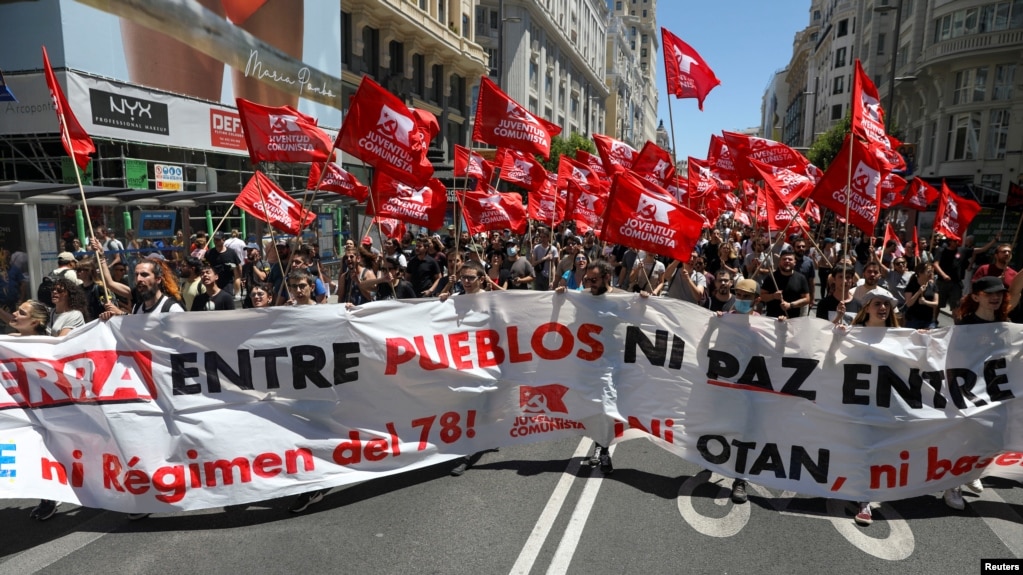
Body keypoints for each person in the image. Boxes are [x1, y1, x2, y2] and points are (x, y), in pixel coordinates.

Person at [554, 260, 649, 474]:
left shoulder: (621, 298)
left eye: (594, 280)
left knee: (606, 406)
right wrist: (561, 295)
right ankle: (599, 444)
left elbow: (642, 317)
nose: (590, 283)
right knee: (590, 407)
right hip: (585, 364)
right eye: (587, 279)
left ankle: (602, 448)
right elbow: (566, 312)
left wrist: (643, 301)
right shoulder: (583, 297)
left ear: (608, 278)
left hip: (610, 364)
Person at [848, 287, 900, 526]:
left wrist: (923, 342)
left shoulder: (900, 336)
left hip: (884, 404)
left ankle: (865, 495)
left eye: (886, 304)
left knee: (875, 449)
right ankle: (858, 494)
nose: (882, 308)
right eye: (878, 303)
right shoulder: (852, 333)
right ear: (866, 307)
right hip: (854, 402)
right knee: (858, 447)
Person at [761, 250, 811, 319]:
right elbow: (762, 296)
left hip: (793, 320)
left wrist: (790, 305)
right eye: (784, 259)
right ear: (779, 262)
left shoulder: (801, 278)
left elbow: (806, 299)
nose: (787, 261)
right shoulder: (771, 277)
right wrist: (773, 296)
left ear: (794, 262)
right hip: (772, 320)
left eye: (790, 259)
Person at [204, 232, 242, 297]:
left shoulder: (231, 253)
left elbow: (238, 266)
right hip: (214, 282)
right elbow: (204, 266)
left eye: (218, 240)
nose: (216, 241)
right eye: (215, 239)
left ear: (223, 240)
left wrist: (240, 279)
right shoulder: (209, 253)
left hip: (227, 283)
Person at [902, 262, 939, 329]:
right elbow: (908, 304)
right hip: (913, 319)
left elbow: (936, 303)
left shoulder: (933, 286)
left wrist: (925, 302)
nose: (931, 273)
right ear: (920, 273)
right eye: (928, 271)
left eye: (931, 271)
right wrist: (918, 292)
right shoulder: (912, 285)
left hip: (928, 320)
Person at [241, 242, 269, 308]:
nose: (248, 253)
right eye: (247, 251)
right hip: (249, 296)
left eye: (251, 250)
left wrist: (253, 265)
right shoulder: (245, 266)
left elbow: (263, 277)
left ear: (257, 251)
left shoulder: (264, 264)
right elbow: (243, 279)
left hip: (260, 295)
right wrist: (243, 282)